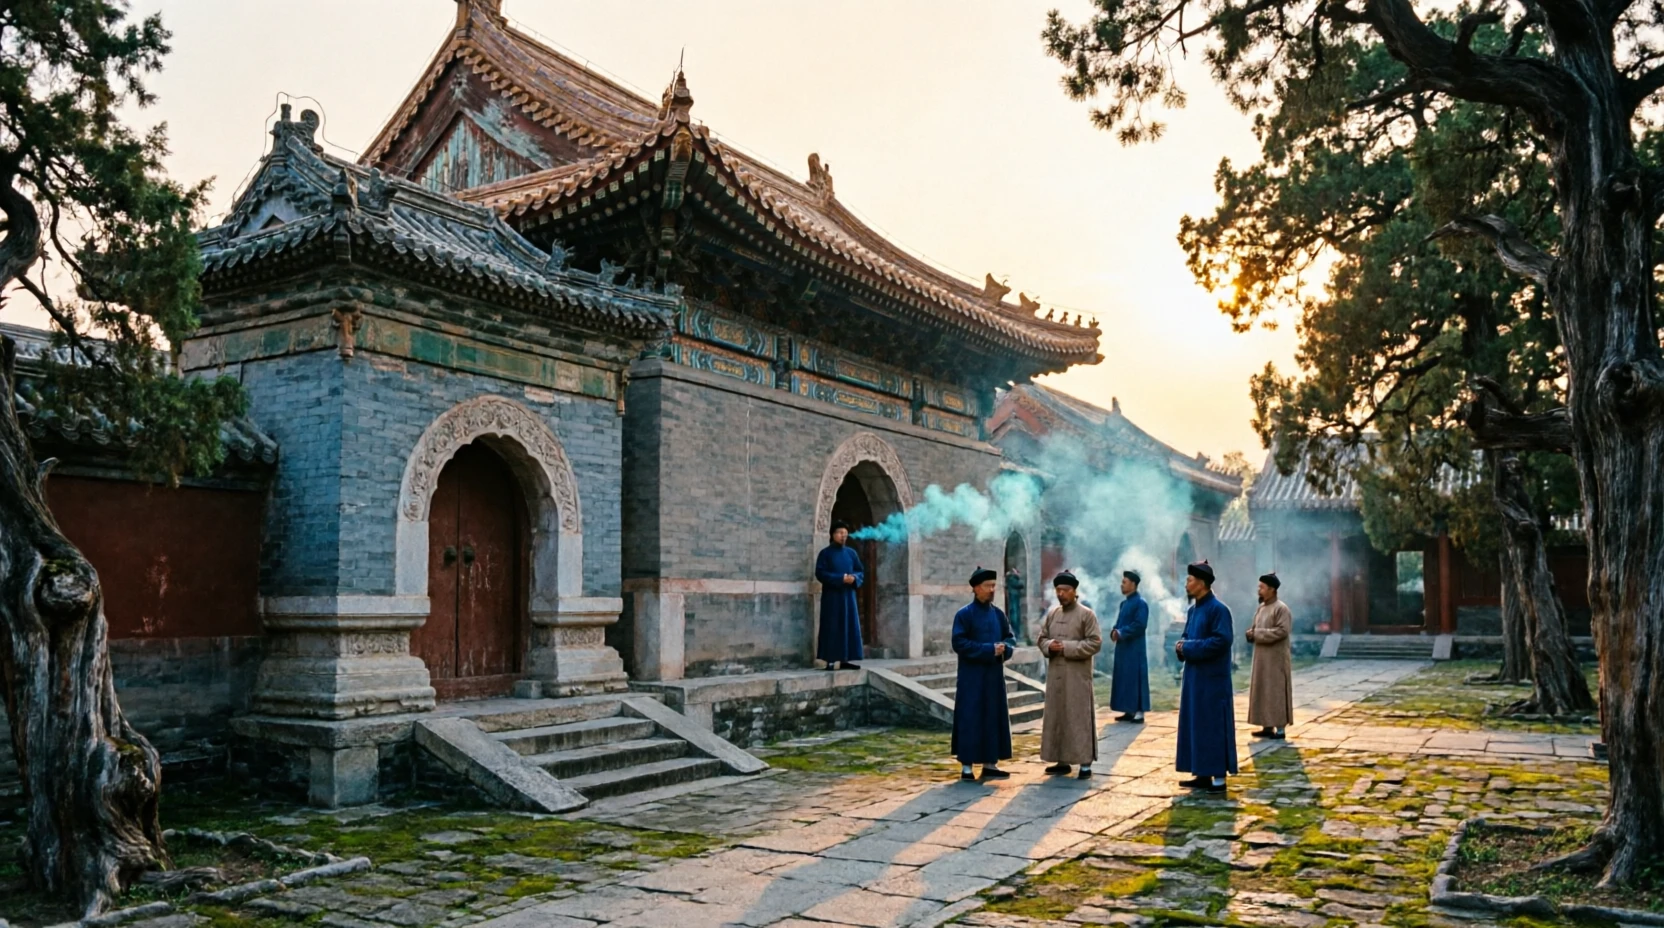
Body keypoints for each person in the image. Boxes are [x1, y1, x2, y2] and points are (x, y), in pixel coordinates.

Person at [1174, 560, 1236, 793]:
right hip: (1193, 678)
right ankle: (1201, 772)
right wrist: (1181, 646)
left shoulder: (1219, 610)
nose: (1186, 584)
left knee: (1213, 726)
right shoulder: (1193, 610)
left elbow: (1221, 641)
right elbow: (1186, 636)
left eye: (1189, 580)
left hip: (1213, 679)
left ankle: (1218, 778)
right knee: (1196, 725)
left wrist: (1187, 648)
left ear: (1201, 583)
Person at [952, 567, 1016, 781]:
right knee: (971, 718)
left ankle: (991, 763)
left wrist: (1004, 648)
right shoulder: (964, 615)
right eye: (988, 586)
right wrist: (988, 649)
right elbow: (959, 642)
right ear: (976, 588)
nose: (992, 590)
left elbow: (1010, 638)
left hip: (993, 676)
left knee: (992, 716)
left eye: (993, 586)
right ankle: (967, 766)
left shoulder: (998, 614)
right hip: (972, 677)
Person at [1037, 571, 1103, 778]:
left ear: (1074, 591)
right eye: (1058, 590)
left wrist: (1065, 647)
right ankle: (1061, 760)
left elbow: (1094, 642)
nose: (1061, 594)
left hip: (1077, 676)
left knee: (1078, 717)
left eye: (1064, 590)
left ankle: (1084, 763)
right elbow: (1041, 639)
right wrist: (1049, 646)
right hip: (1056, 676)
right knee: (1058, 718)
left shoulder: (1086, 614)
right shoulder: (1053, 614)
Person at [1246, 572, 1294, 740]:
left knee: (1276, 691)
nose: (1259, 590)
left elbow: (1282, 631)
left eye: (1262, 587)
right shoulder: (1261, 608)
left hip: (1276, 659)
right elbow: (1256, 628)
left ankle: (1280, 729)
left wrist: (1257, 634)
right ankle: (1266, 726)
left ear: (1272, 589)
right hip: (1261, 658)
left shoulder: (1281, 609)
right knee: (1262, 690)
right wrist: (1251, 633)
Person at [814, 520, 864, 670]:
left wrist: (854, 578)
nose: (843, 536)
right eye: (840, 533)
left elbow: (860, 570)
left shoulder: (851, 553)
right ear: (833, 535)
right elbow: (820, 573)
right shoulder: (825, 553)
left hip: (848, 596)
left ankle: (845, 659)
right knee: (832, 626)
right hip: (832, 597)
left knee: (848, 626)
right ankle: (829, 660)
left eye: (845, 534)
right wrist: (840, 578)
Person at [1110, 569, 1151, 723]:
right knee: (1124, 678)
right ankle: (1128, 709)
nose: (1122, 585)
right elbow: (1120, 622)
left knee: (1136, 678)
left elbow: (1140, 625)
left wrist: (1121, 632)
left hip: (1135, 648)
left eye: (1124, 582)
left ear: (1133, 584)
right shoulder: (1124, 604)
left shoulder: (1141, 603)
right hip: (1123, 648)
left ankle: (1139, 711)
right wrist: (1115, 630)